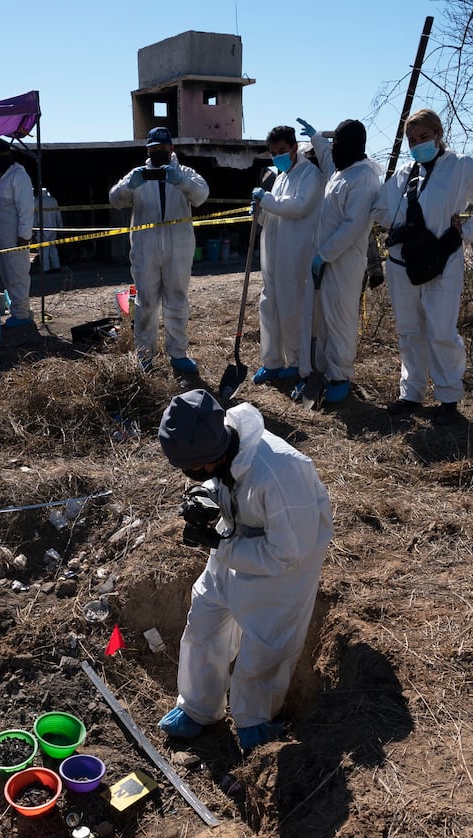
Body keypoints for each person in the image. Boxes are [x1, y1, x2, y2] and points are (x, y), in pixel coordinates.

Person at [155, 389, 335, 754]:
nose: (192, 474)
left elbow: (288, 554)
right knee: (205, 621)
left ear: (212, 455)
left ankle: (255, 718)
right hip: (234, 543)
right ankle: (197, 707)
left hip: (282, 568)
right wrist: (205, 497)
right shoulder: (221, 450)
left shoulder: (282, 471)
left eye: (195, 470)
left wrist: (222, 545)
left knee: (266, 644)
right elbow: (225, 483)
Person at [372, 108, 473, 424]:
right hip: (402, 263)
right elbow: (379, 207)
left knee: (441, 331)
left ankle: (448, 399)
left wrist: (467, 230)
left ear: (438, 134)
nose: (418, 143)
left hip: (442, 260)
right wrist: (394, 226)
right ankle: (411, 394)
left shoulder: (460, 167)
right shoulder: (404, 174)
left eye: (424, 137)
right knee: (409, 332)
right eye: (412, 139)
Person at [109, 126, 211, 374]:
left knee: (177, 300)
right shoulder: (138, 175)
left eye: (162, 148)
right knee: (146, 303)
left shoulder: (184, 172)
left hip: (179, 249)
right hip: (146, 249)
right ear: (147, 150)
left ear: (171, 148)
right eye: (153, 149)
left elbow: (202, 195)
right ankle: (144, 356)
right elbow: (115, 198)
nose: (158, 153)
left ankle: (178, 354)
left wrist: (181, 182)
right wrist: (129, 187)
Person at [305, 120, 382, 405]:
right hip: (328, 260)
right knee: (325, 318)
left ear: (352, 146)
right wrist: (316, 139)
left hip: (345, 262)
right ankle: (325, 371)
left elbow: (353, 226)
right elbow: (327, 160)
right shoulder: (341, 171)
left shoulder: (364, 177)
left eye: (338, 144)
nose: (334, 149)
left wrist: (323, 255)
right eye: (333, 144)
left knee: (341, 319)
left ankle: (341, 376)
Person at [251, 123, 331, 388]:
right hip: (273, 254)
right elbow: (273, 214)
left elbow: (298, 207)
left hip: (297, 254)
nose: (278, 157)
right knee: (269, 305)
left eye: (282, 151)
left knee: (293, 308)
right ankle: (272, 361)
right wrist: (260, 209)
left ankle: (297, 362)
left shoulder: (311, 175)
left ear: (295, 147)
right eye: (274, 153)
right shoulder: (282, 177)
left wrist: (268, 200)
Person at [0, 139, 35, 329]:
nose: (0, 158)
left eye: (3, 154)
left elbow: (26, 208)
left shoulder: (18, 175)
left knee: (18, 275)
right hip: (0, 236)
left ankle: (21, 315)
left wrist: (24, 234)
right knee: (6, 275)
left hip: (16, 237)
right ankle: (20, 311)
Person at [35, 187, 63, 272]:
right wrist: (60, 228)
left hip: (42, 229)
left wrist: (34, 229)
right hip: (53, 228)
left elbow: (33, 217)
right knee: (53, 247)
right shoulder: (53, 200)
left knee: (44, 249)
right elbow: (58, 216)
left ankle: (45, 268)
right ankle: (56, 266)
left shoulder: (36, 201)